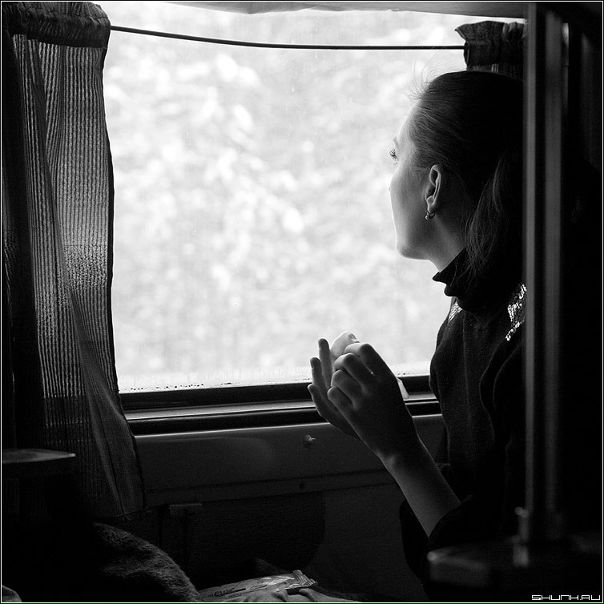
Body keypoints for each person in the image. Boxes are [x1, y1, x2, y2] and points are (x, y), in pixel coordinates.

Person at [308, 70, 525, 595]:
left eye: (395, 156)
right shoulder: (464, 321)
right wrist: (379, 430)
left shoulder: (530, 341)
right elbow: (461, 521)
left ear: (433, 186)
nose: (388, 182)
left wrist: (398, 448)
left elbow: (499, 584)